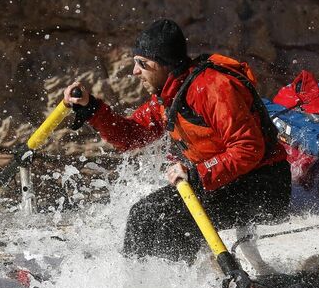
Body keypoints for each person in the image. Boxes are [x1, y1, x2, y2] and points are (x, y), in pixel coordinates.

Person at [64, 19, 291, 262]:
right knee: (143, 214)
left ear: (166, 65)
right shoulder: (169, 95)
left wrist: (197, 174)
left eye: (143, 64)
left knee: (168, 219)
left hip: (263, 187)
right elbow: (132, 135)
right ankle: (137, 279)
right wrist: (92, 108)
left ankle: (178, 281)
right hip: (226, 182)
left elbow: (248, 148)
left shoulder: (214, 88)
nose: (135, 71)